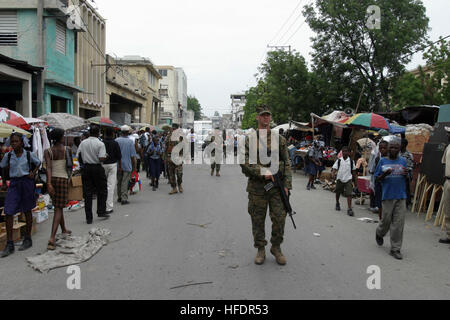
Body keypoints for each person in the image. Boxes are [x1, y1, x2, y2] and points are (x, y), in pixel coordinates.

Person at [240, 105, 292, 266]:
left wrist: (287, 185)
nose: (265, 118)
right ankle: (260, 248)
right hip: (257, 187)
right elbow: (244, 162)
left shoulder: (280, 139)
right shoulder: (250, 139)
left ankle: (276, 247)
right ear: (258, 118)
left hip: (277, 187)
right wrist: (263, 172)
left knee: (279, 219)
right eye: (263, 116)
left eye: (268, 116)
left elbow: (287, 162)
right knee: (257, 219)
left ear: (270, 118)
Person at [0, 133, 41, 257]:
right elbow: (2, 167)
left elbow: (38, 163)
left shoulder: (29, 154)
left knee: (27, 210)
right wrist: (4, 182)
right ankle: (10, 243)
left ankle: (27, 238)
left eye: (16, 141)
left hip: (26, 183)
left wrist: (33, 173)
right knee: (8, 211)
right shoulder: (8, 155)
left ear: (21, 143)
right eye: (12, 142)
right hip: (14, 184)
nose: (14, 144)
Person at [374, 138, 408, 260]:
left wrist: (406, 174)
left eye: (396, 147)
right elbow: (377, 178)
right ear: (388, 149)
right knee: (386, 221)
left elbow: (407, 176)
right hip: (387, 196)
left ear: (399, 149)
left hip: (401, 196)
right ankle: (379, 232)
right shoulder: (382, 161)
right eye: (391, 147)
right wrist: (384, 175)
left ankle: (395, 249)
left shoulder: (403, 161)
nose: (393, 149)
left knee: (398, 223)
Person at [44, 128, 73, 250]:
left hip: (53, 180)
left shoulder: (48, 151)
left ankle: (64, 229)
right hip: (63, 179)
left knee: (58, 205)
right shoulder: (67, 149)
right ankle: (52, 237)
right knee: (58, 208)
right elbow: (70, 166)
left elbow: (48, 168)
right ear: (60, 137)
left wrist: (49, 183)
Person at [77, 125, 109, 224]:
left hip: (86, 168)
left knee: (87, 193)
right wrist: (105, 156)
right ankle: (101, 211)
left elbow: (78, 155)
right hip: (97, 168)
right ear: (98, 133)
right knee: (102, 190)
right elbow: (101, 158)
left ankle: (89, 217)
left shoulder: (83, 143)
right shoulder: (100, 144)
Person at [331, 146, 357, 216]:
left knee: (349, 194)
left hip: (348, 179)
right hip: (340, 178)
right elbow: (334, 168)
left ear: (349, 153)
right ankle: (337, 202)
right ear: (341, 152)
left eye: (346, 151)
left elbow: (354, 172)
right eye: (343, 151)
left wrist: (356, 183)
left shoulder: (351, 162)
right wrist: (333, 174)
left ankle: (349, 208)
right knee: (338, 192)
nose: (345, 153)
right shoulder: (339, 160)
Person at [102, 127, 122, 214]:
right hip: (112, 165)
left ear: (105, 134)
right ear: (113, 134)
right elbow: (119, 157)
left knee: (103, 186)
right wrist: (120, 167)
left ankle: (102, 206)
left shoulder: (101, 143)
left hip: (102, 165)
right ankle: (109, 207)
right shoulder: (115, 143)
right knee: (111, 186)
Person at [115, 125, 137, 205]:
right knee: (125, 182)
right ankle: (124, 198)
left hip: (118, 164)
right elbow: (132, 156)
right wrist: (134, 167)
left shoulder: (116, 140)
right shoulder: (130, 142)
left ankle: (119, 197)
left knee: (119, 181)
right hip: (127, 164)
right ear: (128, 132)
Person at [369, 140, 389, 217]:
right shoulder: (378, 158)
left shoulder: (390, 159)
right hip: (379, 183)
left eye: (384, 148)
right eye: (381, 148)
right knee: (380, 203)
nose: (382, 150)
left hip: (387, 185)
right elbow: (374, 171)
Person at [439, 126, 450, 245]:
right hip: (448, 181)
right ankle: (449, 235)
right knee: (447, 210)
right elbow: (444, 163)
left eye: (449, 133)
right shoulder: (448, 147)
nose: (447, 135)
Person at [165, 124, 184, 195]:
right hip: (170, 157)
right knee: (171, 174)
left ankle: (180, 185)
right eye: (173, 129)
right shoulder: (168, 137)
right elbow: (165, 147)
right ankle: (174, 188)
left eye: (175, 129)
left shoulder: (181, 137)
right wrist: (165, 157)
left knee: (179, 173)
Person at [400, 138, 414, 208]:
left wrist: (405, 171)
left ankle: (407, 203)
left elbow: (410, 166)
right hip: (397, 174)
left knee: (406, 189)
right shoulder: (398, 153)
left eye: (401, 144)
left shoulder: (408, 155)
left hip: (405, 175)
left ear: (404, 145)